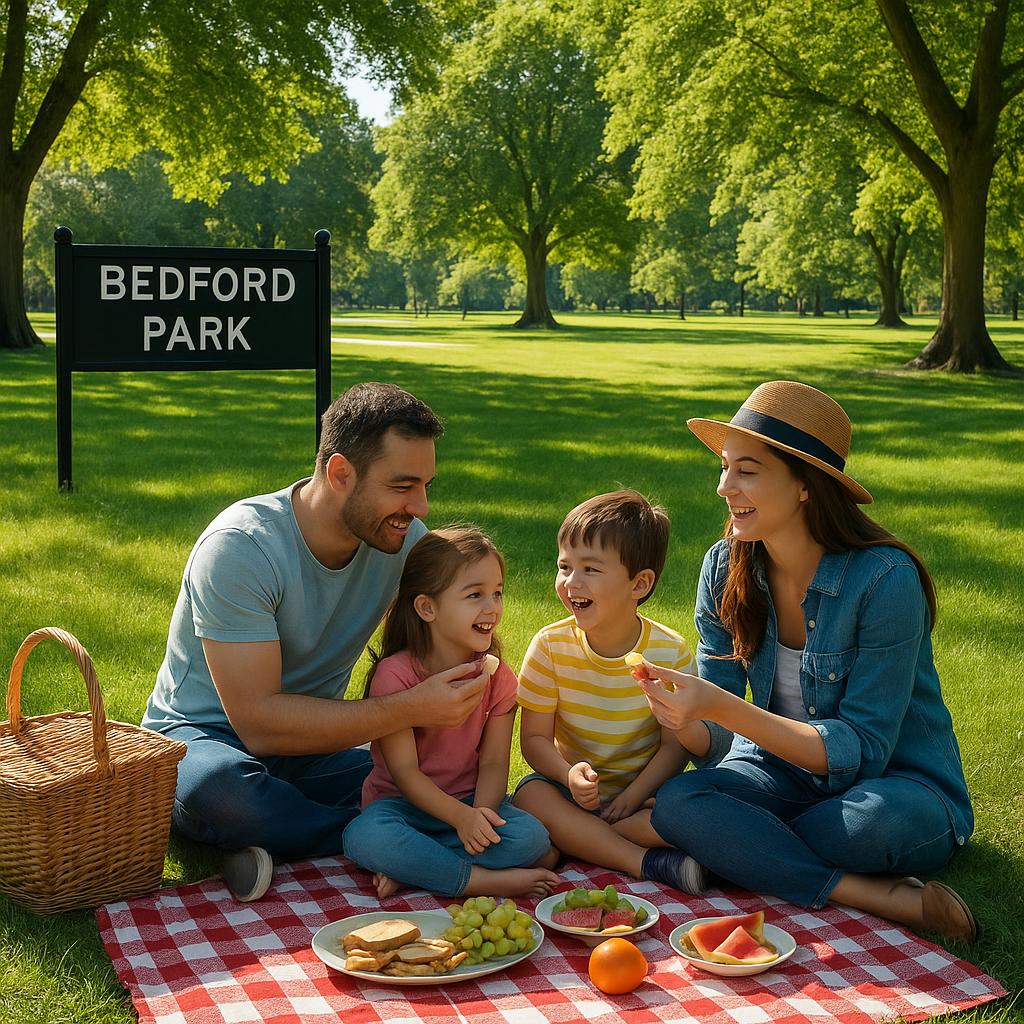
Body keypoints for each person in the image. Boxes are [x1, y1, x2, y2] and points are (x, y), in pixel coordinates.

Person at [636, 381, 977, 941]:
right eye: (724, 468)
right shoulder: (724, 566)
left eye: (747, 470)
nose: (724, 487)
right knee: (679, 800)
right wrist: (686, 719)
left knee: (864, 827)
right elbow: (720, 739)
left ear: (804, 484)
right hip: (783, 774)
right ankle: (863, 892)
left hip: (898, 785)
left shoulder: (886, 581)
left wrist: (719, 708)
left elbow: (864, 752)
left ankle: (748, 846)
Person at [143, 382, 490, 902]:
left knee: (441, 783)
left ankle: (304, 841)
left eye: (426, 486)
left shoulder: (404, 544)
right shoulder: (241, 549)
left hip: (315, 742)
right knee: (225, 795)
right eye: (402, 486)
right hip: (202, 740)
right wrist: (411, 709)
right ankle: (384, 840)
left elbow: (443, 638)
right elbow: (258, 725)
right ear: (339, 473)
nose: (419, 507)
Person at [342, 527, 560, 899]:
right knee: (364, 836)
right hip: (402, 810)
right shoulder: (395, 676)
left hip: (470, 803)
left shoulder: (498, 678)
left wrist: (481, 818)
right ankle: (480, 881)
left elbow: (493, 764)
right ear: (428, 607)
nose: (492, 607)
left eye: (497, 593)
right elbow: (406, 773)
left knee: (531, 837)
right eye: (475, 595)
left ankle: (417, 869)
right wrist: (459, 820)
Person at [511, 489, 711, 894]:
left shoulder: (668, 651)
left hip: (645, 794)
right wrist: (567, 775)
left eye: (590, 569)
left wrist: (635, 795)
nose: (571, 582)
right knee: (530, 796)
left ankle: (585, 840)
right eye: (564, 566)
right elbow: (533, 740)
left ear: (639, 583)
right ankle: (646, 862)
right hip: (571, 793)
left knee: (695, 805)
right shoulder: (550, 646)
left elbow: (675, 747)